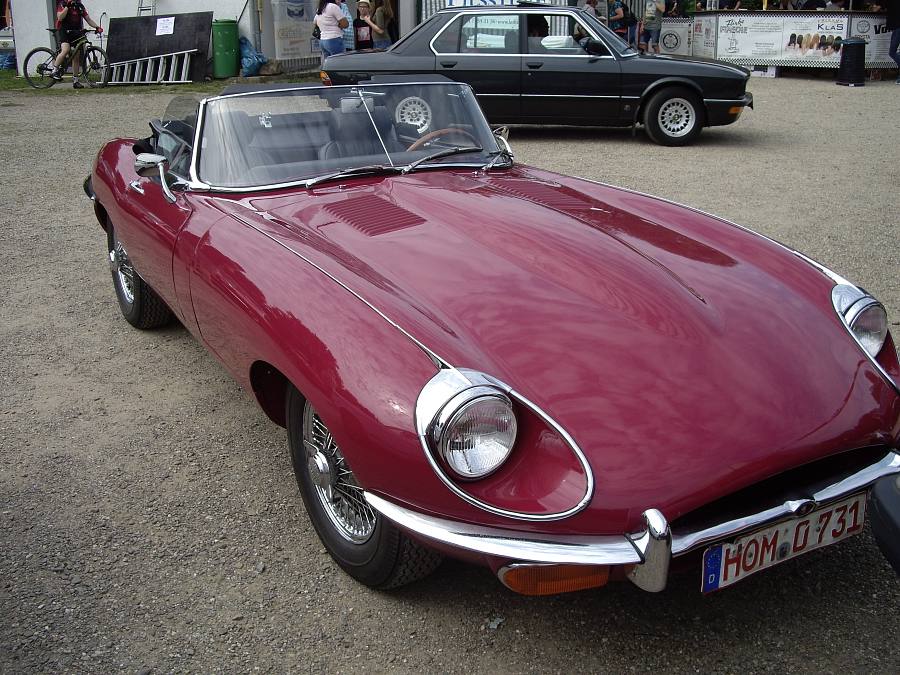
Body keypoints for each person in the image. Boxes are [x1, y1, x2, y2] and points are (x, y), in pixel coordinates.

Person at [50, 1, 102, 89]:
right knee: (66, 50)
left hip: (75, 32)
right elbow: (60, 17)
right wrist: (67, 7)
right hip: (64, 32)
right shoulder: (63, 4)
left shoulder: (79, 6)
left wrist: (97, 27)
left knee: (76, 57)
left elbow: (88, 19)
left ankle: (76, 81)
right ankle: (54, 70)